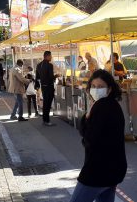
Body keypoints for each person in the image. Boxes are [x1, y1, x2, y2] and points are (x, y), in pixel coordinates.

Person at [70, 70, 127, 202]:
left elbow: (89, 138)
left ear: (109, 89)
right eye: (94, 87)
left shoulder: (101, 106)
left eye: (100, 87)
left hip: (97, 171)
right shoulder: (114, 105)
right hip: (114, 169)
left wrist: (87, 117)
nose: (96, 90)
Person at [36, 51, 57, 126]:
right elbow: (51, 77)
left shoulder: (39, 65)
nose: (51, 57)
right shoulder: (49, 65)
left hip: (43, 87)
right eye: (50, 56)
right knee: (47, 104)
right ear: (47, 56)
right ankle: (47, 120)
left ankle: (45, 120)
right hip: (49, 87)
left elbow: (37, 77)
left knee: (45, 103)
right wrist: (56, 76)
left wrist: (37, 86)